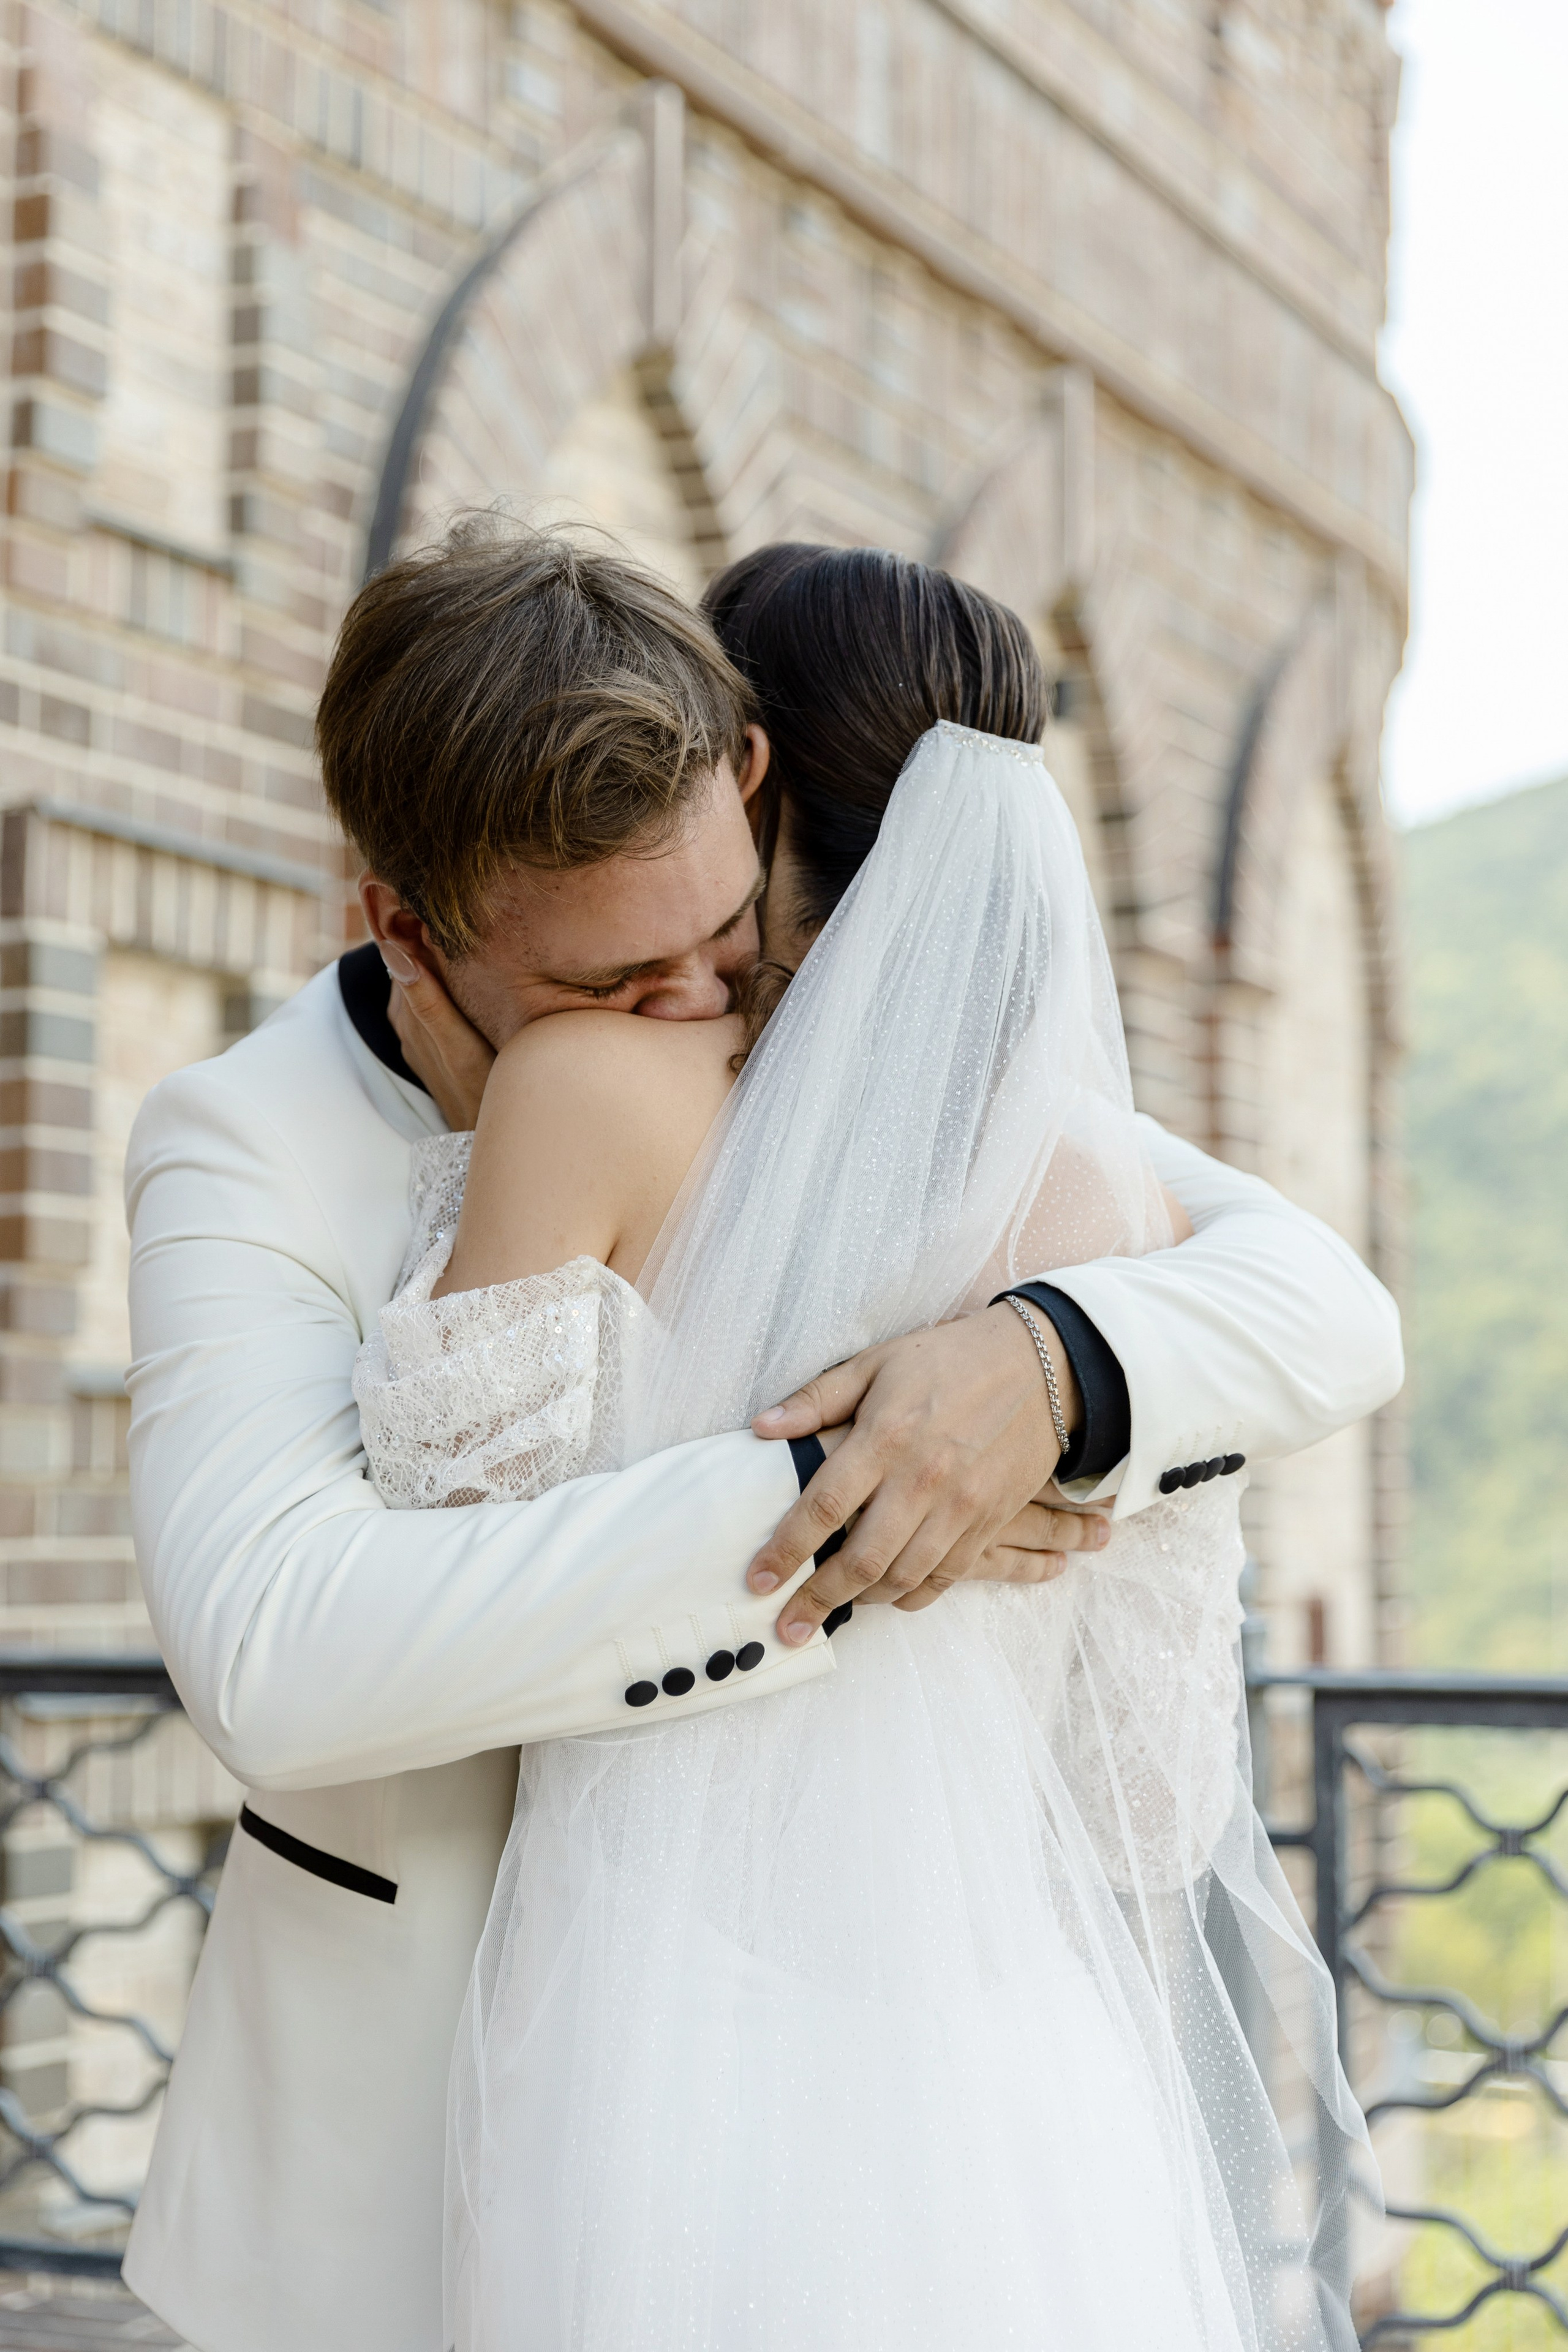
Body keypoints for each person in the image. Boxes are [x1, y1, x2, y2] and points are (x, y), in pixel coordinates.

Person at [121, 524, 1401, 2352]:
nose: (703, 1015)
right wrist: (849, 1498)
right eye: (610, 984)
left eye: (728, 940)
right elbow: (278, 1656)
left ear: (753, 790)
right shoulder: (239, 1141)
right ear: (407, 929)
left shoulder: (859, 1063)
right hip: (398, 2166)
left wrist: (1048, 1366)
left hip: (875, 2107)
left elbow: (1321, 1299)